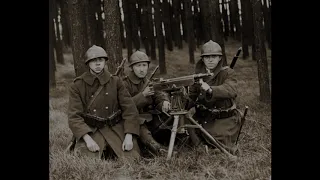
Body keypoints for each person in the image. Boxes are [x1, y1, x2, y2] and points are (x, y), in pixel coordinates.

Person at [67, 45, 141, 160]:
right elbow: (74, 117)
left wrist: (129, 135)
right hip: (91, 130)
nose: (97, 64)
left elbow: (130, 110)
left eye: (100, 60)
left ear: (105, 62)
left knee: (132, 158)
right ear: (88, 63)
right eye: (94, 61)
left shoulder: (116, 81)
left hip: (115, 127)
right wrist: (87, 139)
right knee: (87, 162)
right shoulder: (77, 85)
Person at [187, 40, 242, 154]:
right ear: (202, 59)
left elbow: (231, 90)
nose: (210, 60)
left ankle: (208, 149)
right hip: (204, 117)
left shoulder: (228, 73)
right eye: (207, 57)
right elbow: (191, 97)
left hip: (224, 119)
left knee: (215, 139)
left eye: (214, 56)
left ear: (219, 58)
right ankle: (203, 148)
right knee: (188, 128)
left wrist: (210, 90)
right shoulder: (198, 75)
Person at [122, 50, 171, 156]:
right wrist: (142, 95)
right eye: (138, 66)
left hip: (149, 117)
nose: (142, 69)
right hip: (133, 119)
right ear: (132, 67)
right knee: (140, 124)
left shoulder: (148, 81)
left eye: (144, 65)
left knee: (168, 119)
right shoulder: (125, 84)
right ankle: (158, 150)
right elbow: (125, 106)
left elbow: (158, 94)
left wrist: (164, 101)